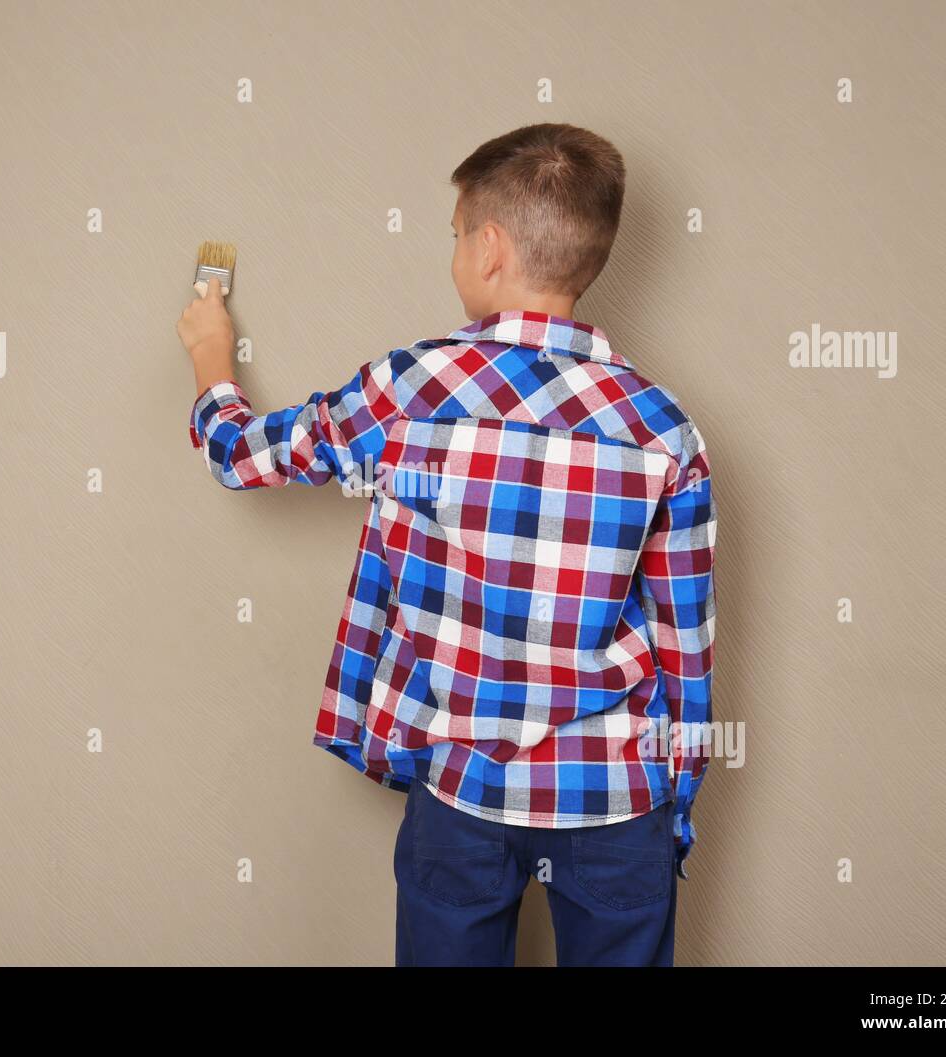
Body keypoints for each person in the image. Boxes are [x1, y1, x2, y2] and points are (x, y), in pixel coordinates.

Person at [177, 123, 717, 966]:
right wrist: (675, 803)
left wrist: (213, 363)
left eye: (458, 234)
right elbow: (687, 643)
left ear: (491, 249)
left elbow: (247, 458)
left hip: (462, 788)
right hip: (617, 795)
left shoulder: (413, 392)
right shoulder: (664, 430)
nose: (456, 251)